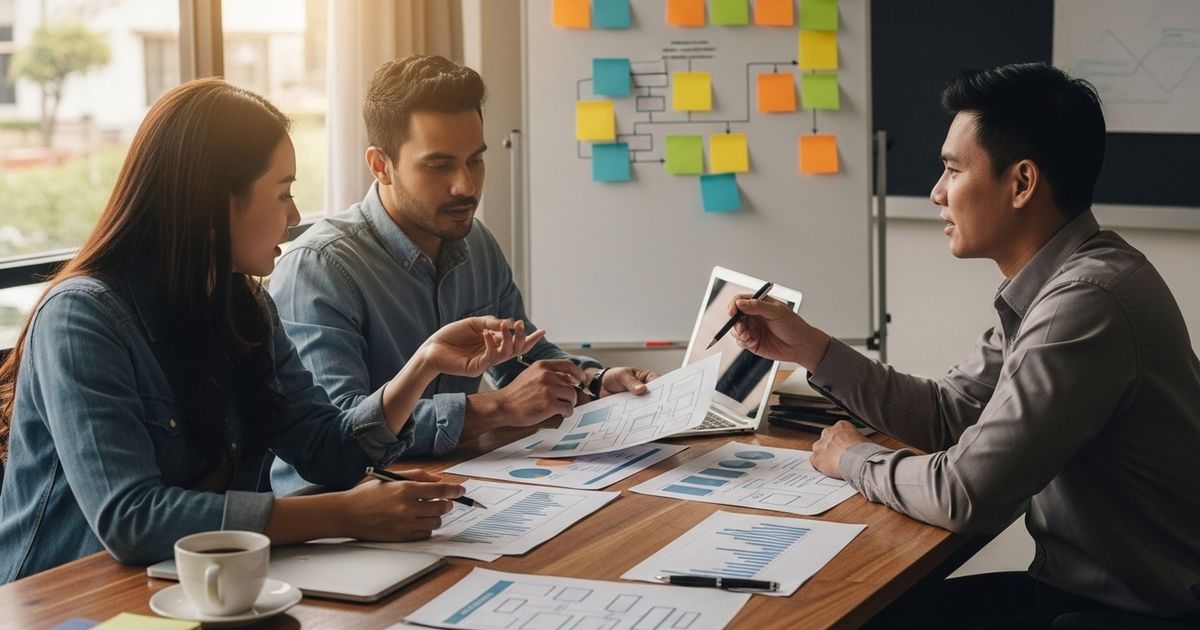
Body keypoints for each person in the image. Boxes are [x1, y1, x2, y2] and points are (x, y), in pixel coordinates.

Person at [0, 78, 541, 582]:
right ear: (215, 204)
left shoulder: (243, 305)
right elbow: (131, 518)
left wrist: (423, 365)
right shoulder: (81, 318)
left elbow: (328, 450)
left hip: (209, 584)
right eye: (282, 192)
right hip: (74, 597)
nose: (294, 215)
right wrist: (342, 513)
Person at [729, 63, 1200, 625]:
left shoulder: (1085, 302)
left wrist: (852, 458)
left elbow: (965, 495)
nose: (935, 193)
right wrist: (809, 348)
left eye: (952, 170)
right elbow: (948, 411)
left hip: (1135, 613)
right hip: (1080, 592)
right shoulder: (1060, 283)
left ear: (1022, 183)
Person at [268, 55, 656, 494]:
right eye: (439, 166)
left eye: (475, 160)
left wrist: (594, 380)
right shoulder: (318, 268)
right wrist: (496, 409)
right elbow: (342, 432)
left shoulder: (475, 242)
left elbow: (522, 354)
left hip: (454, 489)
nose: (466, 186)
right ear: (381, 165)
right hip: (336, 518)